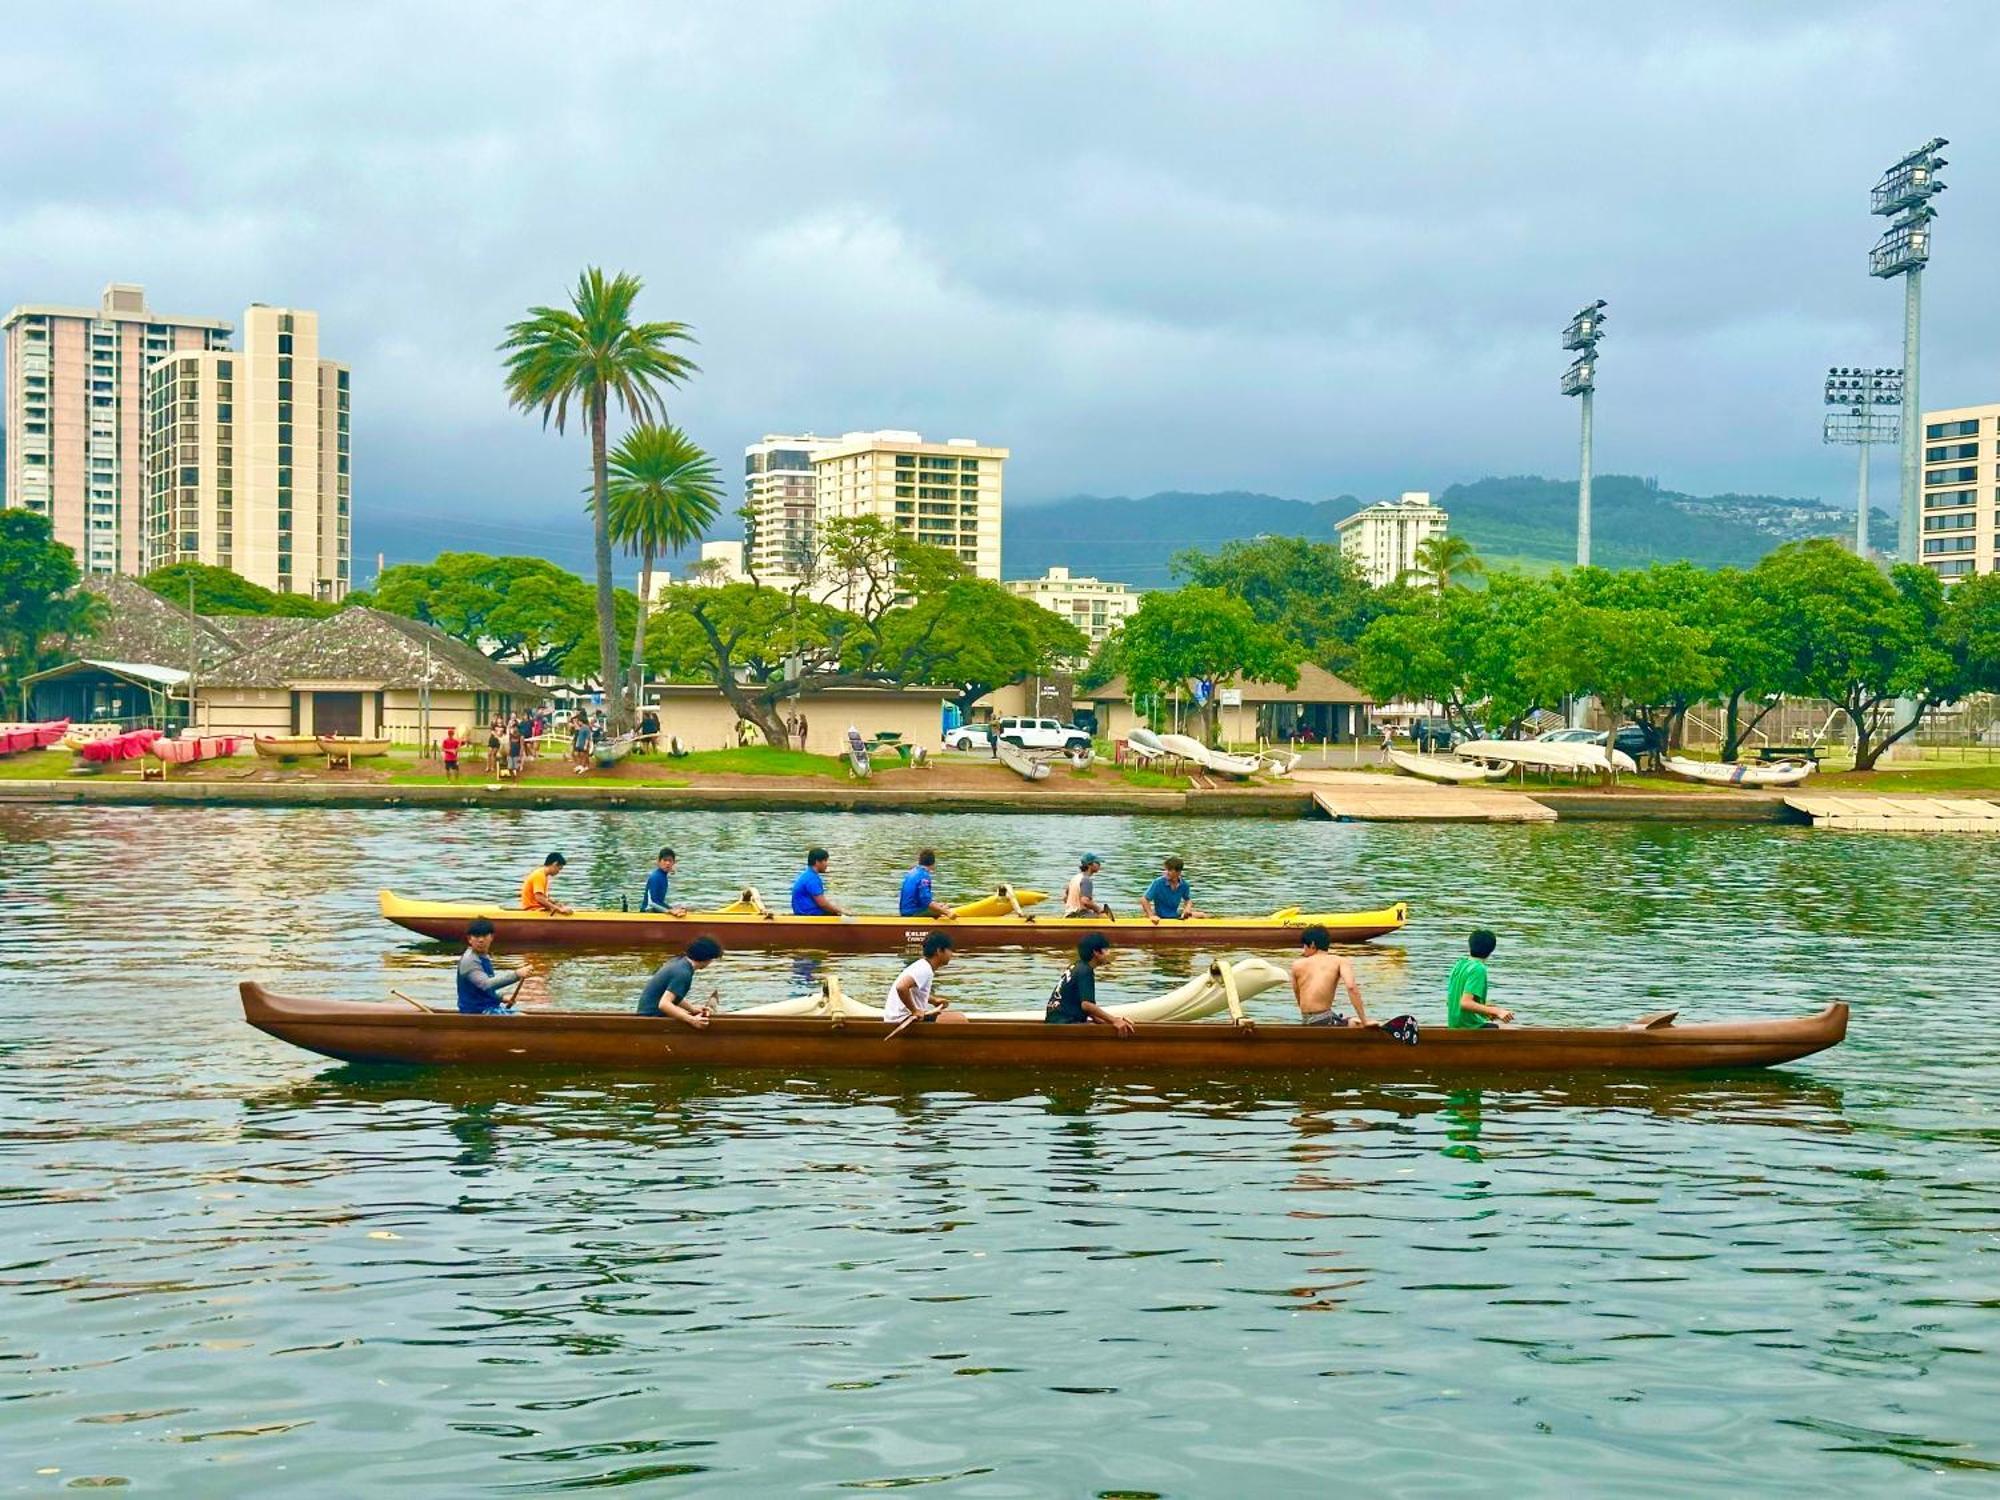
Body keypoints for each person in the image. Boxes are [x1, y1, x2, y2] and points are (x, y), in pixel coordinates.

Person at [1044, 933, 1135, 1033]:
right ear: (1096, 952)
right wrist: (1114, 1021)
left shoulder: (1076, 966)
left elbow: (1088, 1010)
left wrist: (1112, 1020)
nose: (1109, 953)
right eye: (1106, 950)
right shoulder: (1086, 971)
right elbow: (1086, 1005)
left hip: (1056, 1021)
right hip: (1065, 1024)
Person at [636, 935, 725, 1027]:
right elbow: (664, 1004)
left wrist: (692, 1009)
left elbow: (674, 996)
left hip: (646, 1015)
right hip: (652, 1019)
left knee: (685, 1014)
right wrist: (693, 1020)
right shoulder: (683, 973)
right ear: (707, 959)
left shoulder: (678, 962)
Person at [1291, 924, 1369, 1027]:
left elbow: (1298, 996)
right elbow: (1351, 987)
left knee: (1346, 1019)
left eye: (1304, 945)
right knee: (1357, 1023)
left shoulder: (1296, 965)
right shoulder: (1340, 961)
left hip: (1306, 1020)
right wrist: (1365, 1021)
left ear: (1313, 944)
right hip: (1324, 1020)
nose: (1303, 950)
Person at [884, 931, 963, 1023]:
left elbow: (915, 992)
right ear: (939, 951)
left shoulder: (923, 966)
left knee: (953, 1017)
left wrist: (934, 1000)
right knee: (959, 1019)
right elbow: (901, 987)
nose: (951, 954)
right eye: (949, 950)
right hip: (903, 1020)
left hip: (901, 1018)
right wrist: (914, 1011)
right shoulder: (924, 969)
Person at [457, 917, 531, 1014]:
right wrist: (516, 975)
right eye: (476, 936)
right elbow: (486, 985)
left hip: (486, 1008)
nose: (481, 940)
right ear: (469, 939)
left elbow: (480, 990)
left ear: (491, 937)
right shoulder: (469, 961)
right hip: (475, 1013)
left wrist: (500, 998)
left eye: (484, 936)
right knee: (524, 1020)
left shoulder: (482, 956)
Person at [1446, 928, 1513, 1028]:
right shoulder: (1478, 968)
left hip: (1454, 1024)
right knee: (1499, 1030)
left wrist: (1485, 1010)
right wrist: (1497, 1011)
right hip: (1467, 1026)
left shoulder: (1460, 964)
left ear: (1470, 946)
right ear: (1491, 950)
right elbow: (1465, 1003)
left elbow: (1450, 1000)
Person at [1141, 857, 1209, 922]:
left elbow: (1188, 900)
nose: (1166, 872)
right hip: (1159, 918)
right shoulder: (1158, 883)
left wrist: (1187, 909)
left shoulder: (1184, 885)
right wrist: (1151, 915)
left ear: (1178, 872)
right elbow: (1144, 899)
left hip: (1174, 916)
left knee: (1203, 915)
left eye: (1169, 870)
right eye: (1166, 869)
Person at [898, 849, 955, 919]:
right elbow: (926, 901)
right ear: (933, 863)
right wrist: (947, 912)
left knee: (941, 906)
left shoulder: (912, 872)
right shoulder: (924, 876)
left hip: (905, 911)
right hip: (913, 913)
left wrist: (937, 905)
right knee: (946, 908)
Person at [791, 847, 844, 916]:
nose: (827, 864)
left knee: (834, 907)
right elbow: (823, 904)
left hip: (803, 913)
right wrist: (842, 911)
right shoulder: (812, 879)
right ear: (817, 862)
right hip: (808, 916)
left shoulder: (807, 874)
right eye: (825, 860)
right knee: (838, 914)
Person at [1062, 854, 1112, 919]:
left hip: (1068, 915)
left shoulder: (1075, 878)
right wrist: (1099, 909)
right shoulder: (1086, 880)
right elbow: (1085, 901)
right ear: (1089, 865)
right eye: (1097, 863)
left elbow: (1065, 898)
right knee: (1105, 918)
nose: (1099, 865)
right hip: (1079, 915)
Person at [643, 847, 688, 916]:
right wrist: (669, 911)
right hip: (647, 913)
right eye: (665, 860)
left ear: (673, 863)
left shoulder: (663, 876)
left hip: (655, 911)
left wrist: (672, 908)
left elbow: (659, 902)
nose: (667, 863)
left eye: (670, 861)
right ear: (659, 861)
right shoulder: (656, 877)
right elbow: (652, 903)